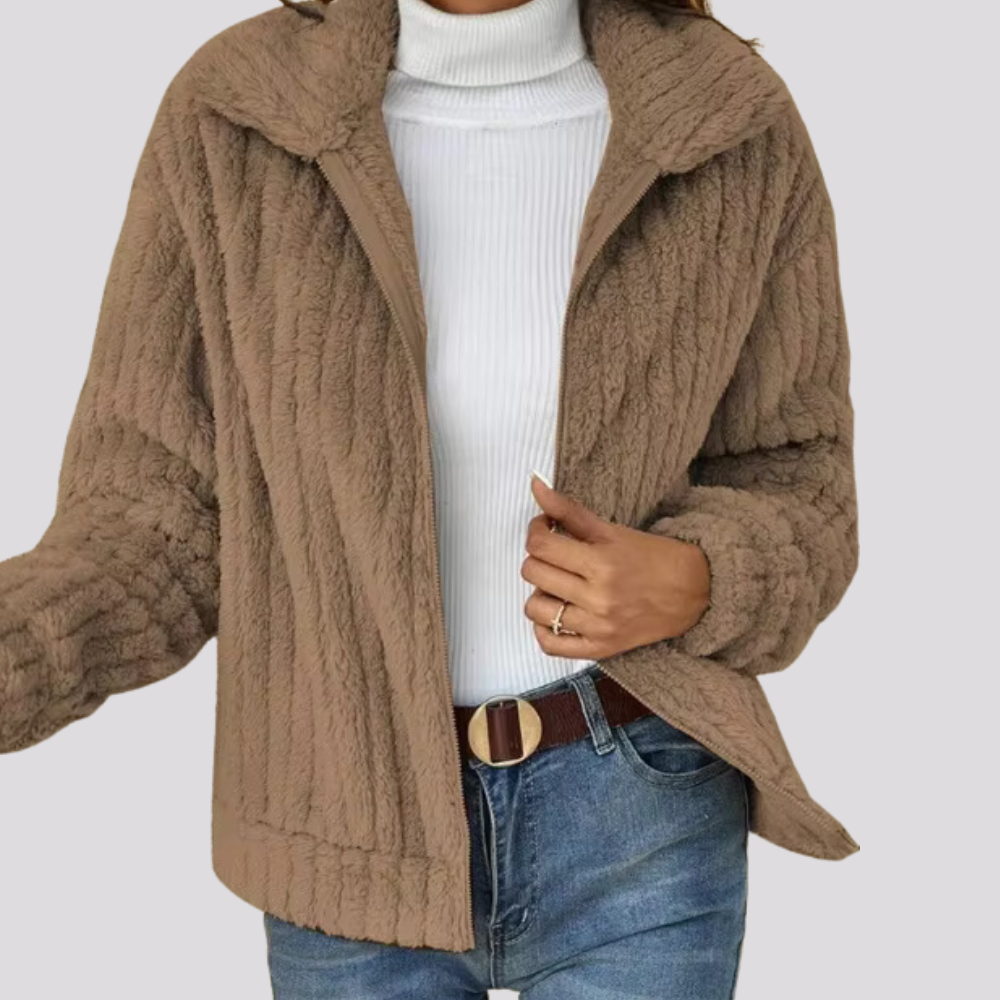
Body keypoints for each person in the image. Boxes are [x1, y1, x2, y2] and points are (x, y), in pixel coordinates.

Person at [0, 0, 860, 996]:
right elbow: (155, 518)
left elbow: (802, 477)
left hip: (640, 809)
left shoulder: (724, 115)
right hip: (345, 818)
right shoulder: (236, 113)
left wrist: (703, 576)